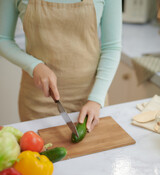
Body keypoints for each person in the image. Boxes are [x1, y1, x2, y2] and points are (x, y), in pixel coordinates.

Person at [0, 0, 122, 132]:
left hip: (91, 98)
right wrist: (34, 66)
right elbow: (3, 39)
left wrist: (96, 99)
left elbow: (111, 47)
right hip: (38, 101)